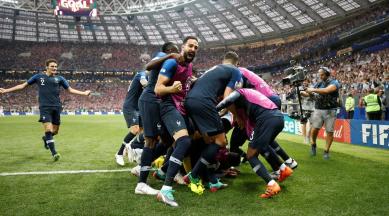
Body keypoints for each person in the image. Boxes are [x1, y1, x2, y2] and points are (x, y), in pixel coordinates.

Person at [0, 59, 91, 161]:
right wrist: (6, 90)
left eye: (56, 67)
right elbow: (22, 86)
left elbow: (70, 90)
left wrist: (84, 93)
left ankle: (46, 139)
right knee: (48, 129)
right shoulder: (38, 77)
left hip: (57, 107)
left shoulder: (60, 78)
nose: (54, 68)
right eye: (52, 66)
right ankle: (54, 153)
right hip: (44, 107)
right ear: (46, 67)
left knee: (55, 131)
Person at [183, 51, 243, 194]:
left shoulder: (215, 68)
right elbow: (227, 98)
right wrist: (237, 116)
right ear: (237, 63)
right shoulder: (235, 71)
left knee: (208, 141)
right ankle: (193, 175)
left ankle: (212, 180)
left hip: (190, 101)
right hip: (203, 102)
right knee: (221, 141)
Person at [216, 89, 293, 198]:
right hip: (278, 118)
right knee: (262, 147)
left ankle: (272, 184)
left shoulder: (240, 92)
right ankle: (284, 169)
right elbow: (250, 128)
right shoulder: (249, 104)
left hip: (266, 119)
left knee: (251, 156)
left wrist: (213, 110)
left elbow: (228, 101)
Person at [154, 36, 199, 207]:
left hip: (181, 109)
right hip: (168, 106)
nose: (193, 49)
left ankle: (162, 171)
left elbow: (186, 87)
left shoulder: (190, 66)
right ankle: (165, 190)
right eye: (190, 46)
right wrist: (171, 88)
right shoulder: (171, 63)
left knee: (192, 138)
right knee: (183, 141)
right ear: (183, 47)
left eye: (196, 47)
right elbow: (158, 89)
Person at [134, 42, 181, 195]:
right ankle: (141, 184)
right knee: (151, 140)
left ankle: (142, 163)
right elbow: (148, 66)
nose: (178, 52)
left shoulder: (170, 63)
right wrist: (169, 56)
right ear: (169, 50)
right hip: (150, 100)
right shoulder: (163, 56)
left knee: (168, 140)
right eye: (176, 50)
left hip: (157, 102)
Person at [301, 67, 340, 160]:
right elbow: (310, 94)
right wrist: (303, 92)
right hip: (318, 110)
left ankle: (326, 151)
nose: (320, 76)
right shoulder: (318, 83)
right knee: (314, 130)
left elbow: (326, 90)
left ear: (327, 74)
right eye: (319, 74)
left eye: (322, 74)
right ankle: (313, 144)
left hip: (331, 110)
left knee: (329, 132)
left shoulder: (334, 83)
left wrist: (312, 90)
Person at [115, 69, 148, 166]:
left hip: (139, 107)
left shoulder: (151, 76)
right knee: (135, 129)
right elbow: (143, 81)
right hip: (130, 106)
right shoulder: (142, 74)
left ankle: (130, 147)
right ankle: (119, 153)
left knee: (142, 131)